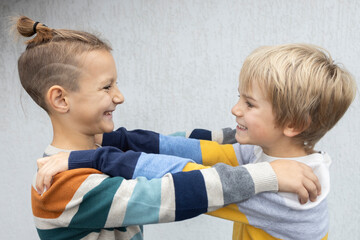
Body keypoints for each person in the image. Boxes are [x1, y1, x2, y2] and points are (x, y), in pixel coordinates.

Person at [16, 16, 320, 240]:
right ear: (60, 98)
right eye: (106, 86)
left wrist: (244, 134)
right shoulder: (61, 186)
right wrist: (268, 174)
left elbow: (166, 142)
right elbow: (170, 194)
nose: (119, 96)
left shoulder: (101, 143)